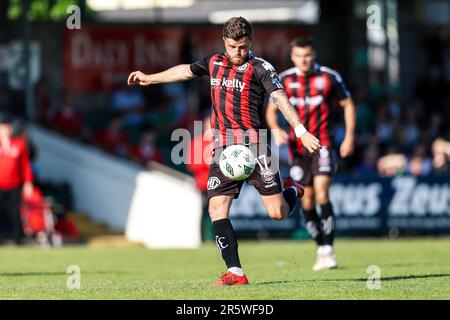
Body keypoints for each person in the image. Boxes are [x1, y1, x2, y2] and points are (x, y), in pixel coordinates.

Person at [127, 17, 321, 286]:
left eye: (241, 47)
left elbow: (280, 99)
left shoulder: (261, 68)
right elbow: (186, 71)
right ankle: (236, 273)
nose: (237, 53)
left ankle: (291, 190)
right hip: (224, 149)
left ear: (250, 42)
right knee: (216, 207)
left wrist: (301, 131)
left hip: (255, 147)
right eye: (232, 46)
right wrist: (151, 78)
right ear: (224, 43)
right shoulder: (214, 61)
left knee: (277, 213)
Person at [266, 36, 356, 271]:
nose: (303, 60)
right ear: (292, 57)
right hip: (297, 150)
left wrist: (349, 136)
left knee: (322, 193)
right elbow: (271, 111)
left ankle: (328, 248)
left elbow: (348, 104)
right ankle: (321, 249)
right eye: (298, 56)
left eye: (307, 55)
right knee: (306, 198)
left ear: (313, 55)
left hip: (323, 145)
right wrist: (275, 129)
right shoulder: (283, 80)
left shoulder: (328, 77)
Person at [0, 114, 34, 244]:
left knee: (15, 212)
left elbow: (25, 165)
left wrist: (28, 182)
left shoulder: (19, 144)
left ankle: (17, 239)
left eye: (7, 127)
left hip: (13, 185)